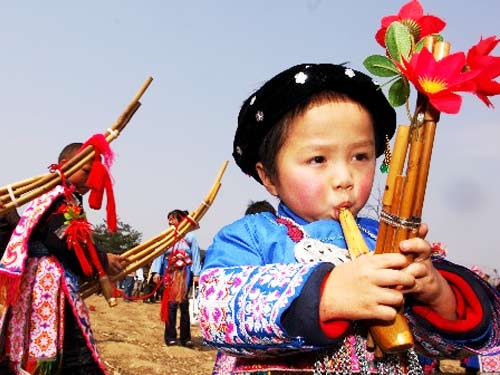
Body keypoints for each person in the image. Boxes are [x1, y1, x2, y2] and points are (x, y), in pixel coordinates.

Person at [198, 63, 500, 374]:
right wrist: (329, 295)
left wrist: (435, 292)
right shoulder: (253, 236)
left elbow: (448, 345)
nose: (345, 177)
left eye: (360, 156)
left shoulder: (389, 241)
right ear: (269, 177)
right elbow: (214, 312)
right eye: (318, 159)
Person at [0, 140, 126, 375]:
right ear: (66, 165)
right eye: (86, 171)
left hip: (48, 282)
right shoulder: (56, 197)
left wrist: (100, 260)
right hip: (46, 285)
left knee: (65, 346)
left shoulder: (65, 197)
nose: (91, 180)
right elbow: (63, 241)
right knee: (73, 353)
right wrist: (101, 260)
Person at [150, 209, 201, 348]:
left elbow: (195, 255)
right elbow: (159, 253)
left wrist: (197, 274)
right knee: (171, 306)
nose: (169, 222)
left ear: (180, 220)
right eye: (168, 219)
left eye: (172, 219)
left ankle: (186, 338)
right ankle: (170, 337)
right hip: (170, 274)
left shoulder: (190, 237)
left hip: (185, 274)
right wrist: (155, 272)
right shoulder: (167, 236)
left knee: (184, 306)